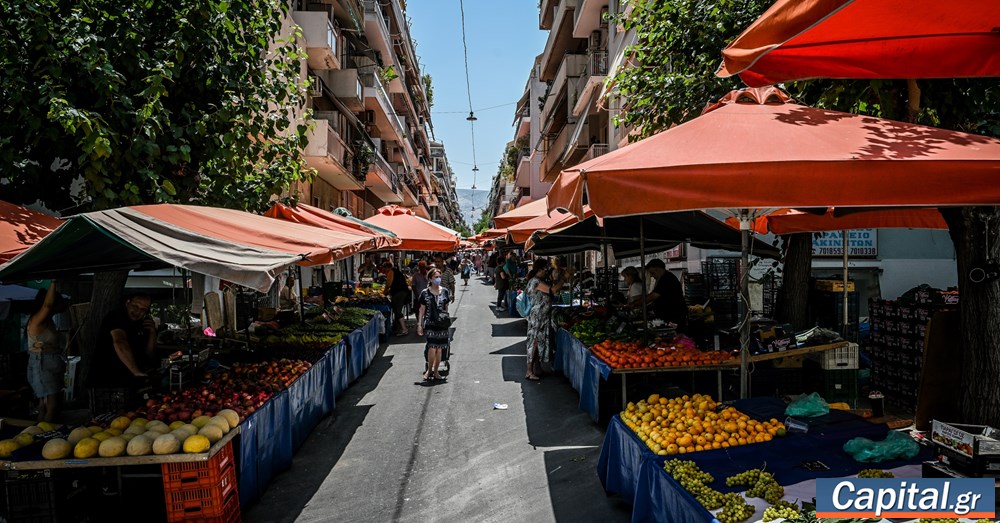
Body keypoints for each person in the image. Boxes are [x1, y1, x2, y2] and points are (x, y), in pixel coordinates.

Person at [89, 293, 157, 389]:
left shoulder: (141, 324)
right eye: (135, 306)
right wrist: (136, 372)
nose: (137, 311)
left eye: (143, 309)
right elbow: (120, 342)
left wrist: (153, 334)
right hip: (107, 380)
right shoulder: (116, 317)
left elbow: (149, 355)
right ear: (127, 303)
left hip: (129, 382)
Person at [26, 282, 68, 422]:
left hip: (50, 362)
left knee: (46, 404)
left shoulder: (49, 321)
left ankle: (43, 430)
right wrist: (53, 282)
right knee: (51, 405)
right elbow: (47, 305)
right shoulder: (37, 320)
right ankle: (46, 434)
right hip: (42, 363)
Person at [524, 259, 562, 380]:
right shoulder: (535, 282)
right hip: (537, 317)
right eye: (545, 268)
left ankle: (538, 369)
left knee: (539, 343)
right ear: (540, 269)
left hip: (543, 316)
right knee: (534, 343)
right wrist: (564, 279)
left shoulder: (539, 281)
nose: (546, 271)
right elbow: (553, 290)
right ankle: (529, 371)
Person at [416, 268, 450, 381]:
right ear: (430, 278)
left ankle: (436, 372)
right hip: (430, 322)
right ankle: (429, 370)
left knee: (439, 348)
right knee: (432, 347)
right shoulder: (425, 293)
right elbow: (421, 309)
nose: (438, 279)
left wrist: (446, 320)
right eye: (436, 277)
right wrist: (419, 324)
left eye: (439, 276)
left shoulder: (444, 291)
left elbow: (446, 308)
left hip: (442, 324)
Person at [643, 259, 688, 330]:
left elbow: (653, 296)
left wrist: (636, 303)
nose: (651, 276)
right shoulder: (663, 278)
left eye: (652, 273)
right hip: (669, 316)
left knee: (675, 336)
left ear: (657, 269)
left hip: (674, 317)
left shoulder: (666, 279)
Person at [382, 261, 410, 336]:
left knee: (397, 310)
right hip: (401, 292)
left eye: (384, 268)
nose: (384, 271)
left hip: (399, 293)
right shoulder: (396, 271)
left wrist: (383, 293)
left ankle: (404, 329)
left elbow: (388, 284)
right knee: (397, 310)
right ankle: (398, 328)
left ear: (387, 267)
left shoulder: (391, 272)